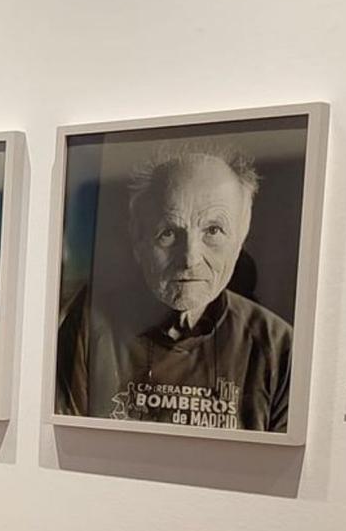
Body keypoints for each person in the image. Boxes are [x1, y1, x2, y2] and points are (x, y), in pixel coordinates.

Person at [56, 144, 292, 431]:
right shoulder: (90, 323)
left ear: (241, 235)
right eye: (168, 233)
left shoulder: (278, 345)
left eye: (213, 230)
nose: (190, 259)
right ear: (138, 238)